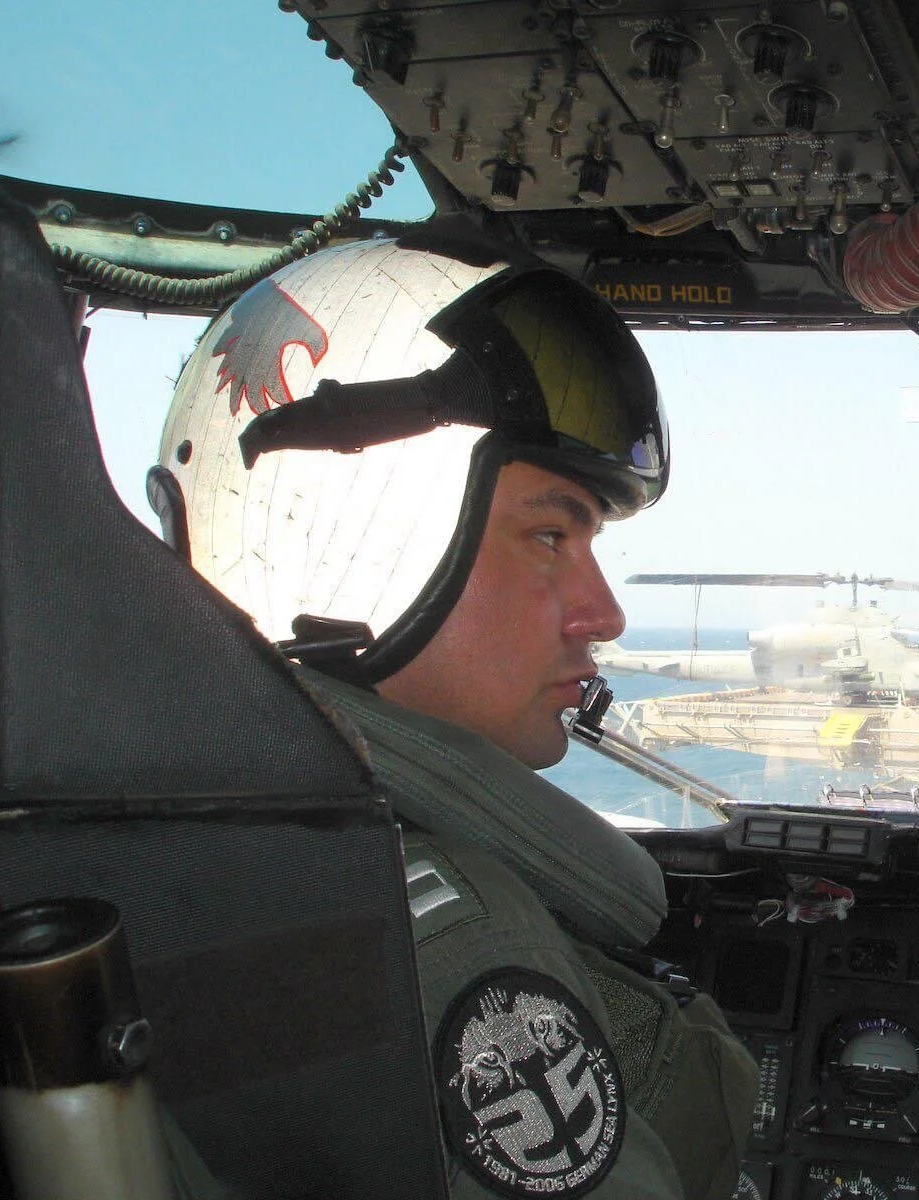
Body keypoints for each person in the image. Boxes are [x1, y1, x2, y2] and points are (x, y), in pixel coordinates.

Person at [157, 234, 757, 1200]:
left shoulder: (199, 833)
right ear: (350, 543)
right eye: (549, 535)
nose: (604, 613)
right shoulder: (438, 946)